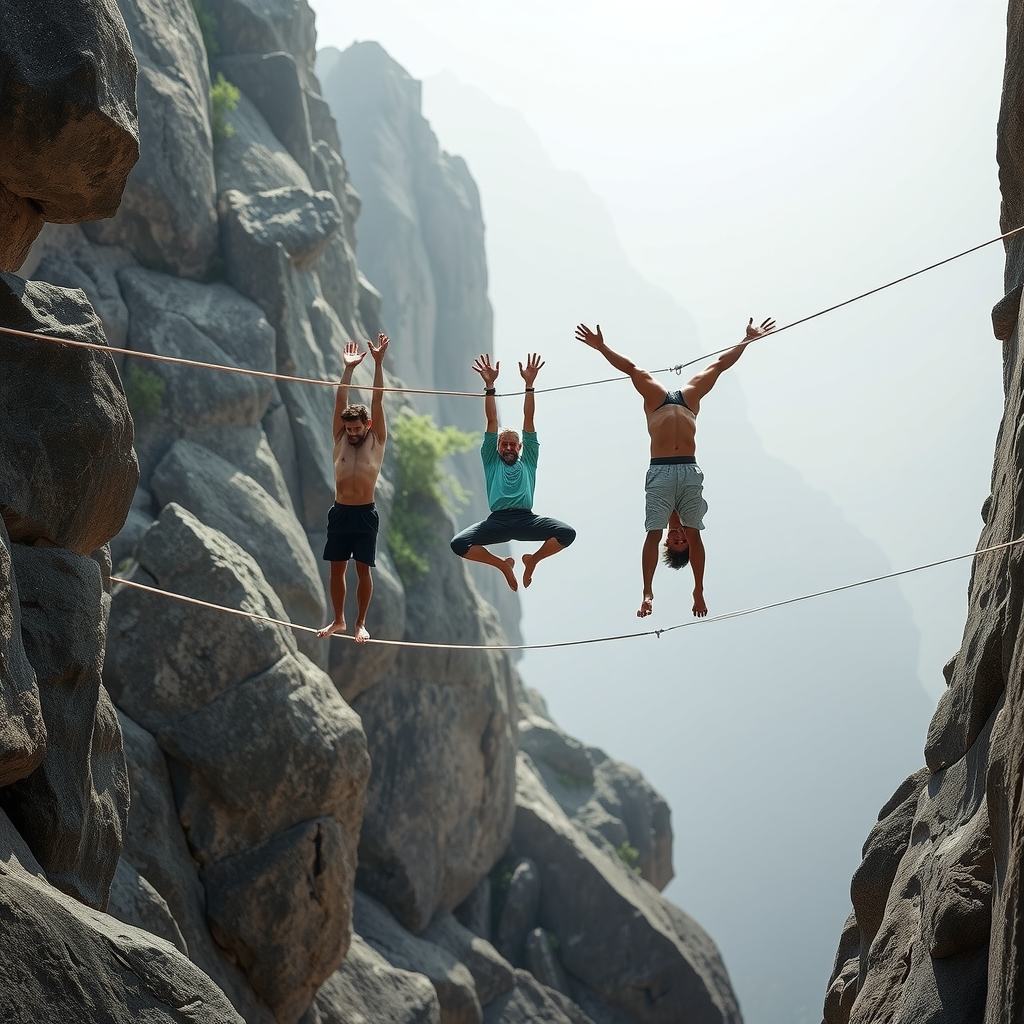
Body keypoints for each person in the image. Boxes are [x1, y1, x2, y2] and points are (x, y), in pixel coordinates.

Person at [575, 318, 775, 619]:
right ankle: (688, 589)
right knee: (698, 532)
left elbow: (630, 370)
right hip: (688, 467)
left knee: (649, 531)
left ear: (670, 539)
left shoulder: (663, 521)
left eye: (675, 540)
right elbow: (719, 365)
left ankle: (647, 592)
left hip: (662, 472)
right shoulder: (691, 398)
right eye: (684, 541)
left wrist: (601, 347)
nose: (680, 536)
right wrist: (746, 340)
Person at [450, 352, 576, 590]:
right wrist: (489, 386)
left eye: (512, 444)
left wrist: (529, 385)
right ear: (497, 447)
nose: (508, 447)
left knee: (567, 534)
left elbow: (529, 418)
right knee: (459, 544)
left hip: (526, 519)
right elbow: (491, 420)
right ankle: (502, 564)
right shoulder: (491, 460)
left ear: (519, 447)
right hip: (497, 521)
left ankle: (532, 560)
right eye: (503, 444)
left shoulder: (528, 459)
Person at [317, 333, 389, 642]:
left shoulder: (377, 440)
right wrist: (347, 368)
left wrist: (377, 363)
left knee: (362, 569)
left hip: (365, 513)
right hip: (340, 510)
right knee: (336, 569)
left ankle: (360, 623)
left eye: (357, 428)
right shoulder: (339, 438)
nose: (353, 432)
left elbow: (376, 399)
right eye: (349, 428)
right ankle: (338, 620)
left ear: (367, 426)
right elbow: (340, 399)